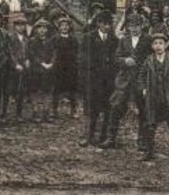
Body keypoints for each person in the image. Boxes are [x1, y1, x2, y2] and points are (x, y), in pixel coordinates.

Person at [103, 9, 152, 150]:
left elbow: (152, 58)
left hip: (141, 80)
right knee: (116, 106)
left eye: (137, 25)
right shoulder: (123, 40)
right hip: (124, 80)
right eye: (131, 25)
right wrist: (125, 61)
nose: (134, 28)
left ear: (142, 25)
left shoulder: (148, 39)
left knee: (143, 109)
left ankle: (142, 140)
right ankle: (111, 138)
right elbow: (116, 58)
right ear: (128, 26)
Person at [137, 30, 169, 163]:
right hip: (153, 99)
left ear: (165, 45)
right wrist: (144, 89)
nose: (158, 46)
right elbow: (140, 77)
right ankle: (149, 151)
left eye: (161, 43)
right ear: (152, 46)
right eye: (155, 43)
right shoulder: (148, 60)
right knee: (150, 125)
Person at [79, 10, 117, 147]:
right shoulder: (88, 38)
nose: (107, 27)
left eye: (110, 24)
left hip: (109, 81)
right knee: (92, 109)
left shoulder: (114, 40)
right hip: (93, 80)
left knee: (108, 109)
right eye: (105, 24)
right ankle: (89, 136)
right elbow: (83, 60)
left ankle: (103, 136)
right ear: (99, 23)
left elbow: (116, 60)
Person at [28, 18, 56, 122]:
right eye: (40, 28)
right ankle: (36, 112)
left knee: (47, 91)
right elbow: (32, 54)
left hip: (48, 70)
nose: (42, 30)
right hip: (36, 70)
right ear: (35, 30)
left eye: (44, 28)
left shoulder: (50, 41)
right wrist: (42, 63)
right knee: (34, 90)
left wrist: (52, 63)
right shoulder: (32, 41)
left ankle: (46, 112)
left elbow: (54, 53)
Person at [51, 17, 79, 119]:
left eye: (66, 25)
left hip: (70, 67)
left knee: (72, 90)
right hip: (58, 67)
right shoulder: (55, 38)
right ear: (58, 27)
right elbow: (52, 52)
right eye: (62, 25)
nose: (64, 27)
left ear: (69, 27)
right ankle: (54, 110)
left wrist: (75, 63)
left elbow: (76, 52)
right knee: (56, 89)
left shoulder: (73, 38)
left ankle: (73, 110)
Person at [7, 13, 31, 121]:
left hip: (23, 67)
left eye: (23, 25)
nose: (21, 27)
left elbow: (27, 52)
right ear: (15, 26)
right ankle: (6, 113)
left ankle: (19, 113)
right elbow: (10, 52)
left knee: (21, 90)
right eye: (18, 25)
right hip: (13, 67)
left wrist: (27, 60)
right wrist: (15, 64)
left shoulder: (26, 39)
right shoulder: (11, 37)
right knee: (12, 88)